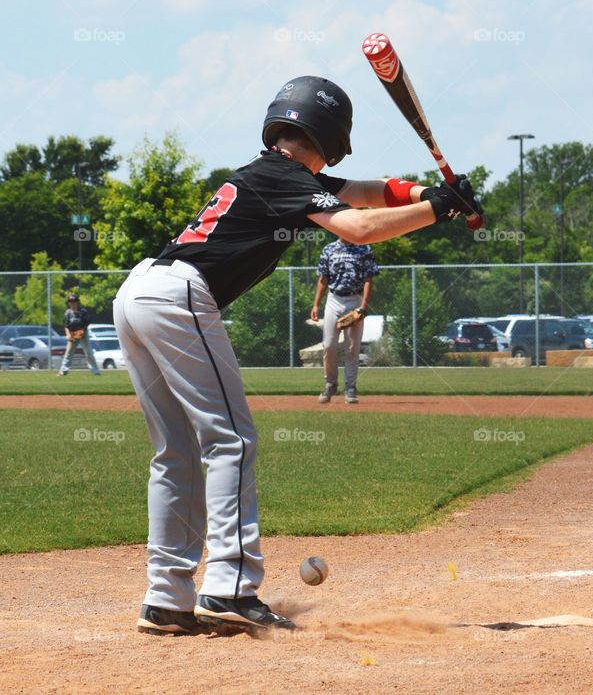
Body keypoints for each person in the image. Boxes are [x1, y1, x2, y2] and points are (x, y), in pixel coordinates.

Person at [113, 75, 481, 636]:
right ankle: (231, 589)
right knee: (231, 440)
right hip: (179, 296)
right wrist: (437, 207)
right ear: (331, 135)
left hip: (138, 290)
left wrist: (429, 195)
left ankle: (166, 596)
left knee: (178, 452)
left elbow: (364, 191)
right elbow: (356, 228)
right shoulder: (284, 177)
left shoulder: (274, 173)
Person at [310, 238, 378, 404]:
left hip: (355, 299)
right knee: (329, 345)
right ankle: (331, 383)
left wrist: (363, 306)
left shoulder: (364, 248)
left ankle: (350, 388)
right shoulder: (329, 249)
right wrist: (316, 305)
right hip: (334, 300)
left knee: (352, 348)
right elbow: (323, 279)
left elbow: (368, 280)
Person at [59, 293, 100, 376]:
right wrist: (68, 335)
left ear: (77, 302)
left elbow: (86, 323)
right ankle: (63, 371)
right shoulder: (68, 313)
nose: (72, 303)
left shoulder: (83, 312)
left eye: (74, 301)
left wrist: (80, 333)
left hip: (83, 334)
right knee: (68, 353)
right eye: (70, 301)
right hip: (72, 334)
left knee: (89, 352)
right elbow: (66, 325)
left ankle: (95, 371)